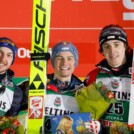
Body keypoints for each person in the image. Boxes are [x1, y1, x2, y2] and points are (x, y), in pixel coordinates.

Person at [84, 24, 133, 133]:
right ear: (102, 51)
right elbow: (86, 114)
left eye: (116, 44)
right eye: (106, 46)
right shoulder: (93, 76)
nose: (112, 51)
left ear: (125, 46)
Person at [44, 42, 83, 133]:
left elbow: (87, 124)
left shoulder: (83, 91)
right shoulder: (38, 84)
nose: (65, 63)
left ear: (75, 62)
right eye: (59, 58)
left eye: (70, 58)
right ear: (53, 61)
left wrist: (96, 128)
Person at [0, 37, 23, 116]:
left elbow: (10, 123)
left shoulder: (16, 91)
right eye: (0, 52)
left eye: (9, 55)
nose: (3, 59)